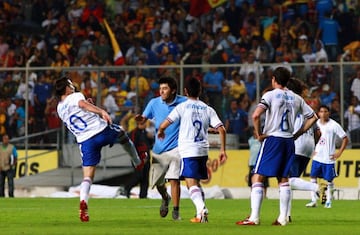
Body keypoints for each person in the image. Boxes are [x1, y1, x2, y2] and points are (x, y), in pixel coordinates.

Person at [236, 67, 318, 226]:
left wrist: (259, 134)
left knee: (257, 176)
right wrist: (298, 133)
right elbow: (313, 117)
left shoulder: (270, 95)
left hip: (273, 139)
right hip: (289, 141)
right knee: (283, 179)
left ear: (274, 79)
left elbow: (255, 115)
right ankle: (282, 218)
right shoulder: (296, 98)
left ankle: (254, 217)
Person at [55, 75, 142, 222]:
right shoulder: (75, 96)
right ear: (67, 88)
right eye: (70, 85)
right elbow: (82, 104)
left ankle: (83, 203)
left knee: (88, 177)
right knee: (122, 134)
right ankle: (138, 162)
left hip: (85, 141)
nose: (73, 86)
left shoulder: (59, 108)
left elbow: (80, 110)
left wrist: (90, 107)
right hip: (99, 131)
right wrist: (100, 111)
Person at [157, 78, 227, 223]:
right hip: (203, 150)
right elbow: (222, 129)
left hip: (189, 150)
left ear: (185, 92)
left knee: (190, 183)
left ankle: (202, 210)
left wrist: (161, 130)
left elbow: (166, 122)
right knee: (196, 182)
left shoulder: (183, 107)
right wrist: (222, 150)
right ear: (200, 91)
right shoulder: (207, 108)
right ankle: (199, 214)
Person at [135, 76, 187, 220]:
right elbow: (144, 119)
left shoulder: (184, 102)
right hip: (159, 150)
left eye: (165, 89)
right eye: (160, 89)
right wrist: (141, 119)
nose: (161, 92)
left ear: (173, 90)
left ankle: (176, 211)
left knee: (174, 180)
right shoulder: (153, 103)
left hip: (177, 148)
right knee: (157, 183)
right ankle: (165, 197)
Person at [286, 78, 319, 221]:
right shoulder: (307, 105)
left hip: (297, 143)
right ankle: (287, 215)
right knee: (291, 180)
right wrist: (313, 147)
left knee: (287, 180)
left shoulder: (292, 103)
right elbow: (318, 132)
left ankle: (316, 187)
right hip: (308, 145)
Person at [305, 105, 348, 209]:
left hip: (329, 158)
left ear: (329, 113)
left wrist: (339, 153)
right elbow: (310, 137)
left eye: (325, 111)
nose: (323, 113)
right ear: (318, 113)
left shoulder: (334, 125)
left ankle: (329, 201)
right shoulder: (315, 124)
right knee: (313, 177)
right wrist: (312, 150)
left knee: (329, 180)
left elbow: (345, 138)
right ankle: (313, 200)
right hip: (317, 157)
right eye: (321, 111)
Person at [121, 120, 154, 198]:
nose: (145, 124)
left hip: (147, 158)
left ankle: (143, 195)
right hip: (138, 159)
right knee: (138, 176)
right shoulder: (134, 133)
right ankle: (126, 188)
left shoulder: (146, 133)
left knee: (145, 178)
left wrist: (152, 138)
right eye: (142, 123)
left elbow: (150, 145)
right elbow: (132, 147)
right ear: (138, 124)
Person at [248, 127, 268, 198]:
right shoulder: (251, 140)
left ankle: (264, 195)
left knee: (264, 179)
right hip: (252, 162)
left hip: (261, 163)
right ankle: (252, 194)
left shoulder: (263, 141)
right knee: (251, 179)